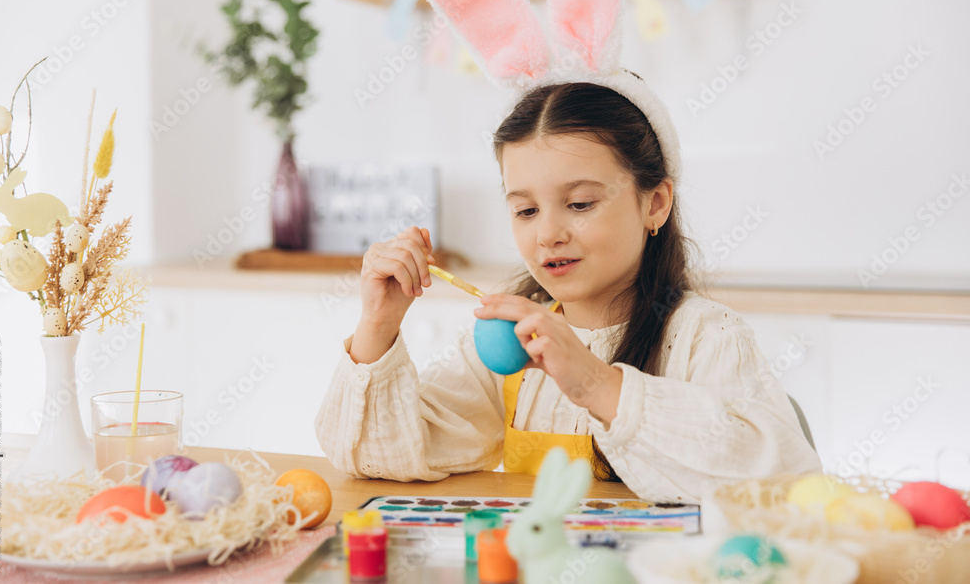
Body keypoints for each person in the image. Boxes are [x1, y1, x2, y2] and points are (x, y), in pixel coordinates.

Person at [314, 81, 822, 503]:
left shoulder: (707, 337)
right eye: (526, 210)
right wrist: (378, 323)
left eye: (579, 204)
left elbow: (784, 488)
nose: (547, 234)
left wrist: (595, 384)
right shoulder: (509, 340)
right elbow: (381, 458)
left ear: (655, 204)